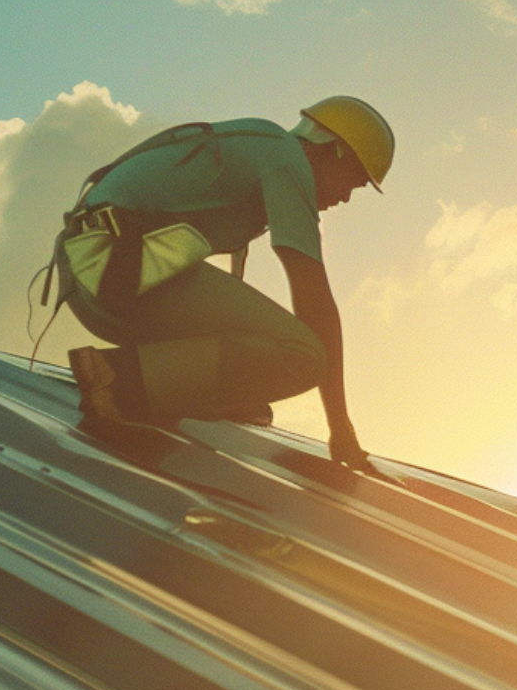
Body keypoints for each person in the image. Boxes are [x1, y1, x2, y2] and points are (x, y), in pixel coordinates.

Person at [49, 95, 392, 472]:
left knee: (252, 370)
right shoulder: (286, 158)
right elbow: (315, 301)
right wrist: (341, 428)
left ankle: (141, 384)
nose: (345, 197)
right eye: (354, 182)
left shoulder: (261, 147)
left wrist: (239, 386)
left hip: (94, 278)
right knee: (303, 355)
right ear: (332, 151)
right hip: (111, 267)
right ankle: (116, 381)